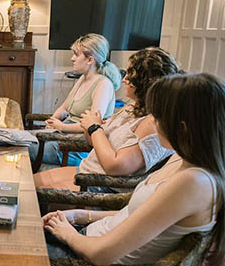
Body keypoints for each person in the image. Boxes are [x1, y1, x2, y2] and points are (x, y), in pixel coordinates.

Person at [43, 73, 225, 266]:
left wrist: (66, 232)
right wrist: (78, 216)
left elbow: (100, 254)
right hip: (85, 237)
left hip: (91, 265)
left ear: (182, 128)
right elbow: (133, 215)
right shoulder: (182, 159)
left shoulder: (194, 182)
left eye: (157, 116)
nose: (152, 122)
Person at [34, 47, 179, 192]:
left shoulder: (152, 124)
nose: (123, 80)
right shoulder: (132, 107)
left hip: (98, 186)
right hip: (86, 171)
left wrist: (94, 128)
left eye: (129, 75)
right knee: (27, 183)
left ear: (144, 83)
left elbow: (114, 166)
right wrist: (89, 127)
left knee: (28, 192)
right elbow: (94, 143)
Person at [41, 33, 122, 167]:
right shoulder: (82, 78)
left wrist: (61, 126)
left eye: (76, 55)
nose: (72, 58)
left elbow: (93, 125)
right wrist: (51, 121)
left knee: (21, 146)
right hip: (60, 137)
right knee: (17, 140)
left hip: (73, 148)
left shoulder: (103, 85)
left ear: (90, 60)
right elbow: (64, 108)